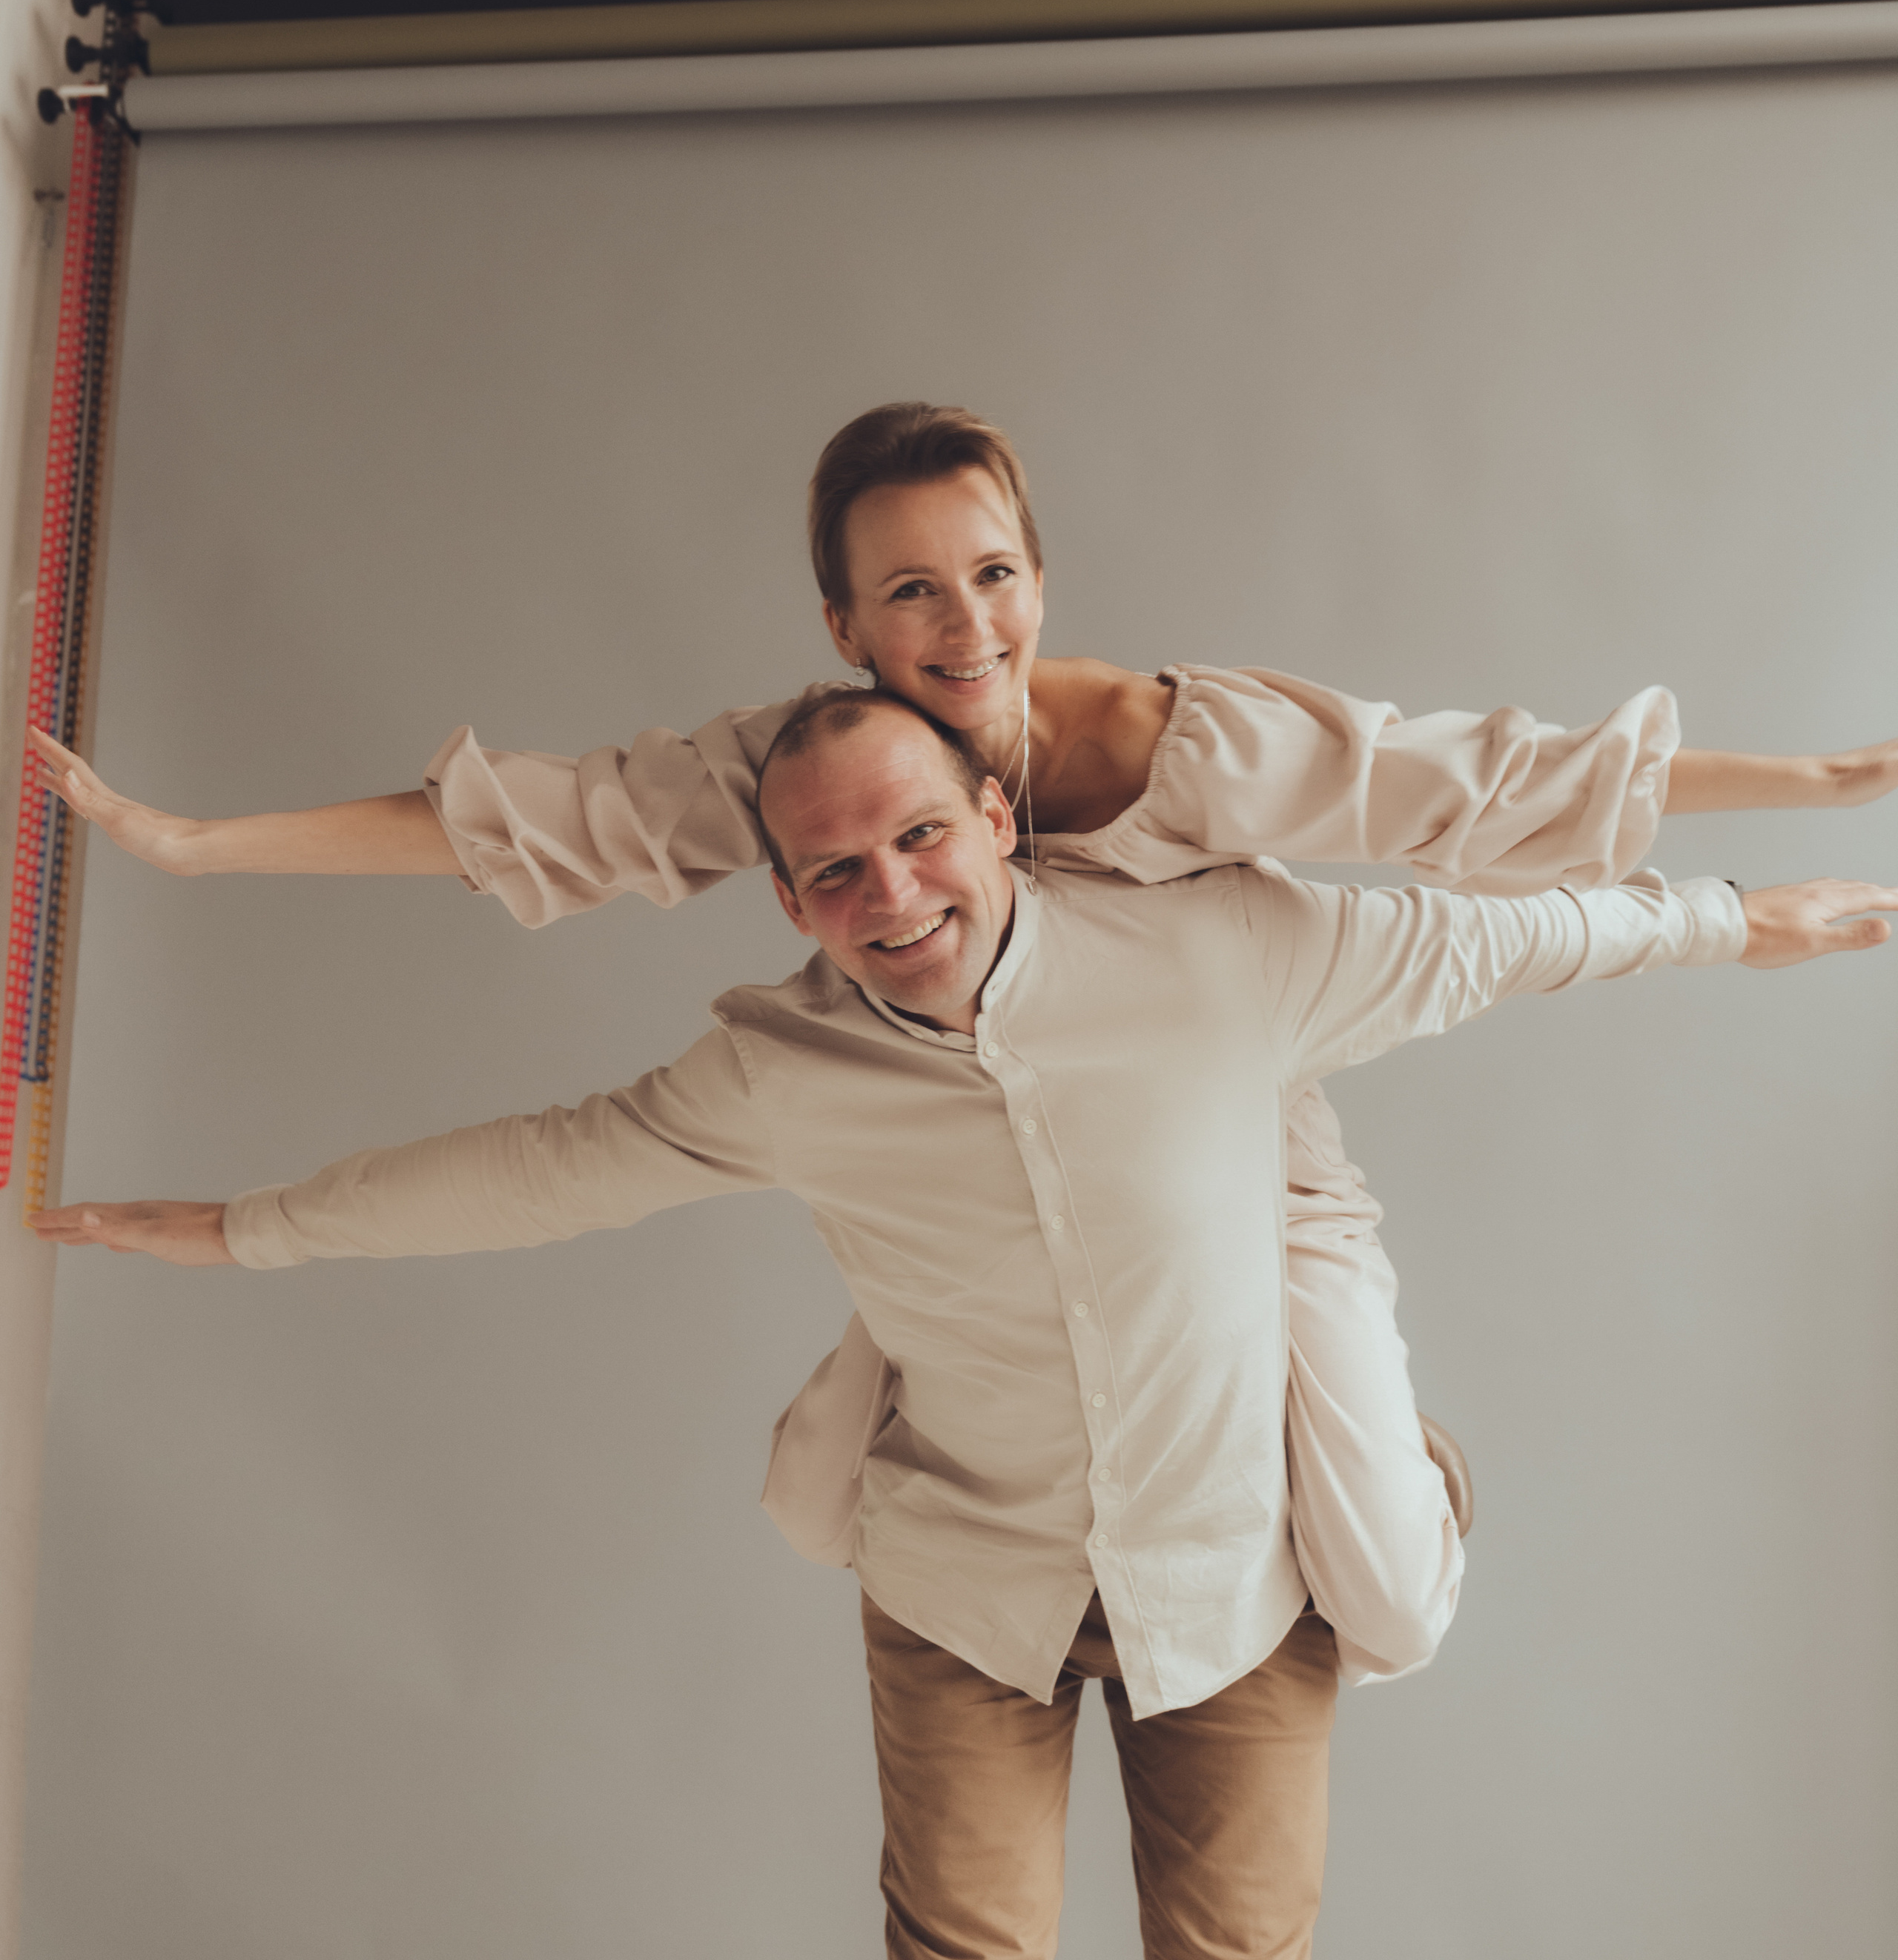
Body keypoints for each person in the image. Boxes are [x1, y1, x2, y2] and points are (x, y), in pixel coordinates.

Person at [31, 403, 1898, 1684]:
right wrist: (193, 841)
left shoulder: (1189, 746)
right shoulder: (808, 770)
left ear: (1038, 576)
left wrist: (1811, 790)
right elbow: (518, 820)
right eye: (908, 590)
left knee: (1397, 1605)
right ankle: (933, 1356)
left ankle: (1370, 1456)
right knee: (813, 1495)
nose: (959, 623)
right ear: (840, 618)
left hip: (1225, 1143)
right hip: (940, 1140)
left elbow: (1488, 796)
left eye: (990, 573)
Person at [35, 691, 1897, 1960]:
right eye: (833, 872)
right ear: (782, 893)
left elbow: (1495, 934)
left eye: (921, 838)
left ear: (996, 813)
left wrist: (1745, 913)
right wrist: (243, 1231)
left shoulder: (1222, 955)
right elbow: (536, 1169)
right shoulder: (776, 1067)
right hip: (962, 1591)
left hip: (1233, 1586)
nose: (889, 895)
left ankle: (1414, 1476)